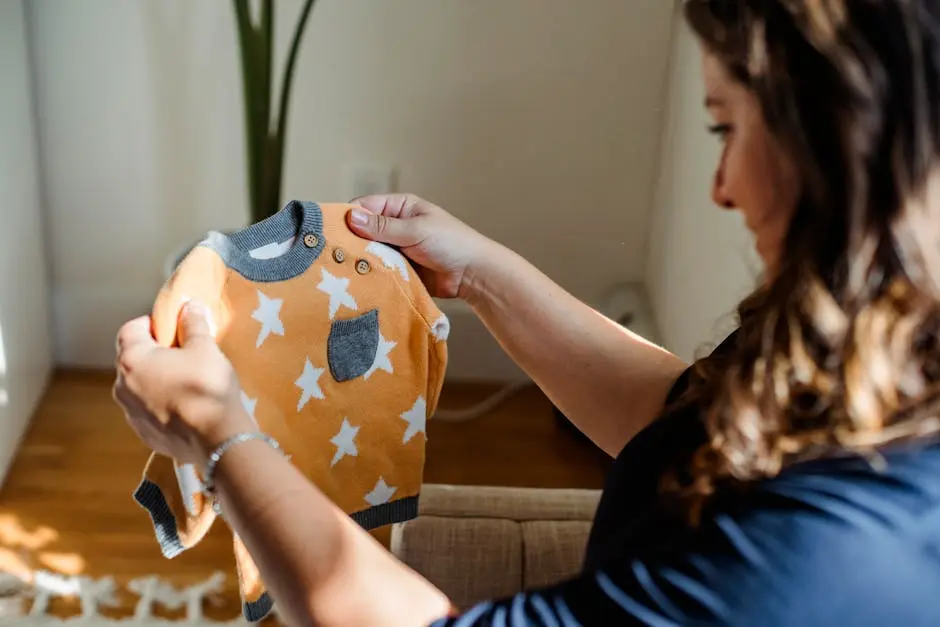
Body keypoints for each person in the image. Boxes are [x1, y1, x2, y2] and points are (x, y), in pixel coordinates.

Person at [112, 0, 940, 624]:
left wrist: (219, 438)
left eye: (725, 127)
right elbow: (687, 412)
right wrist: (478, 272)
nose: (719, 186)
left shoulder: (814, 557)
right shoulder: (871, 329)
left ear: (834, 145)